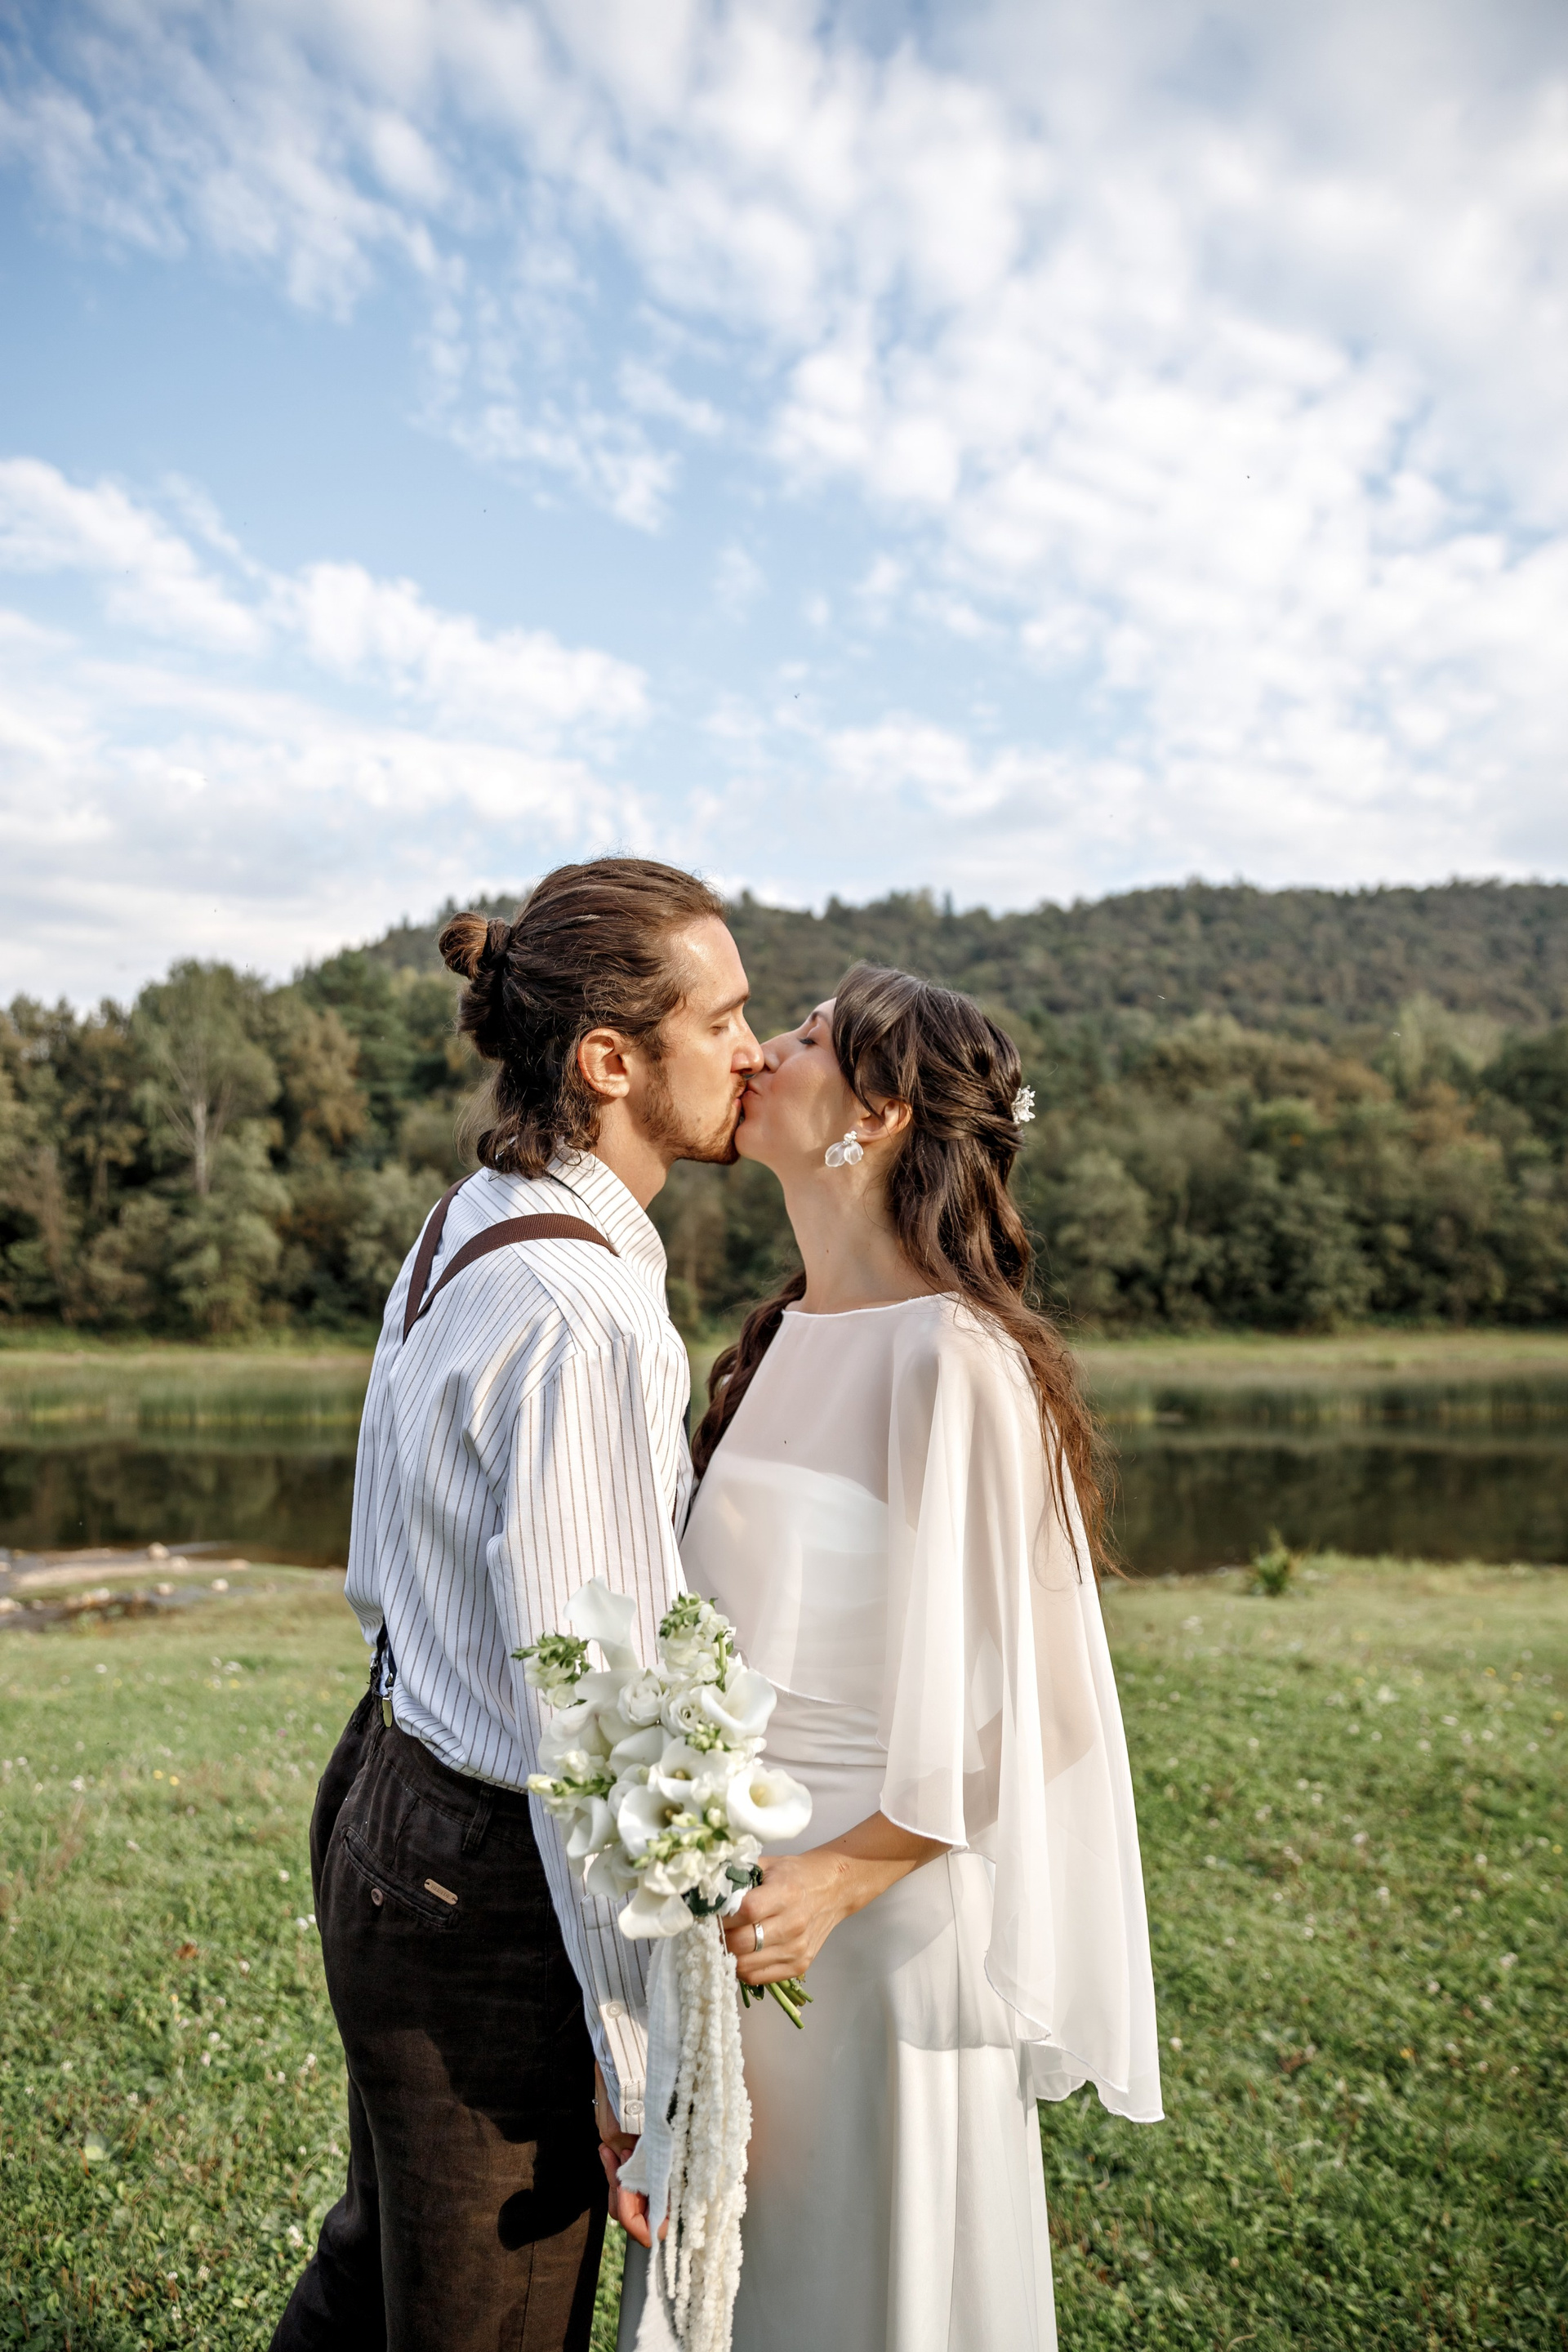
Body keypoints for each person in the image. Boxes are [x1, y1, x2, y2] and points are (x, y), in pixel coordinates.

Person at [620, 962, 1161, 2352]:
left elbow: (1045, 1717)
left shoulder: (957, 1361)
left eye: (804, 1036)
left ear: (879, 1114)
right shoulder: (780, 1338)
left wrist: (839, 1881)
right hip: (737, 1909)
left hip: (871, 1930)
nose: (760, 1052)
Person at [271, 858, 762, 2352]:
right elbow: (594, 1715)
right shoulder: (587, 1315)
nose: (754, 1052)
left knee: (375, 2275)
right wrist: (634, 2050)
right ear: (610, 1061)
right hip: (482, 1893)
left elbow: (394, 1565)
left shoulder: (476, 1216)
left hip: (389, 1793)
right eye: (724, 1021)